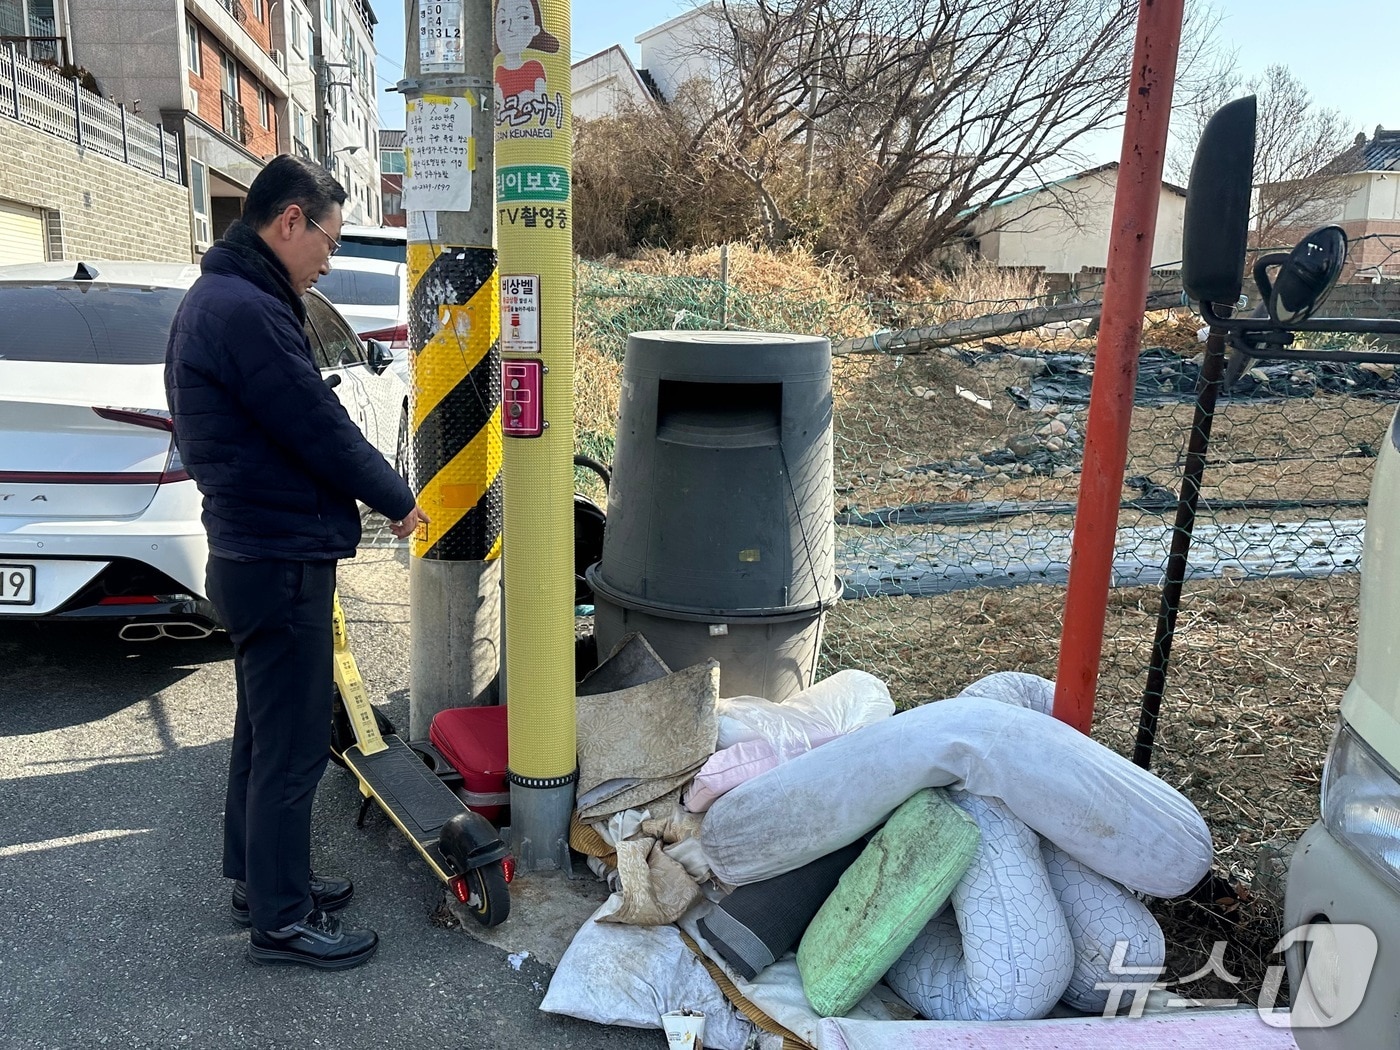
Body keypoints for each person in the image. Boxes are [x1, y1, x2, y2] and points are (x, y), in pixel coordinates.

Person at [165, 155, 427, 971]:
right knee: (293, 742)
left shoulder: (226, 296)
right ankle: (281, 922)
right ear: (290, 221)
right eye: (330, 241)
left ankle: (260, 879)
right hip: (276, 557)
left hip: (253, 550)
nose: (329, 261)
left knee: (263, 729)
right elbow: (315, 422)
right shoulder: (247, 309)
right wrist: (396, 496)